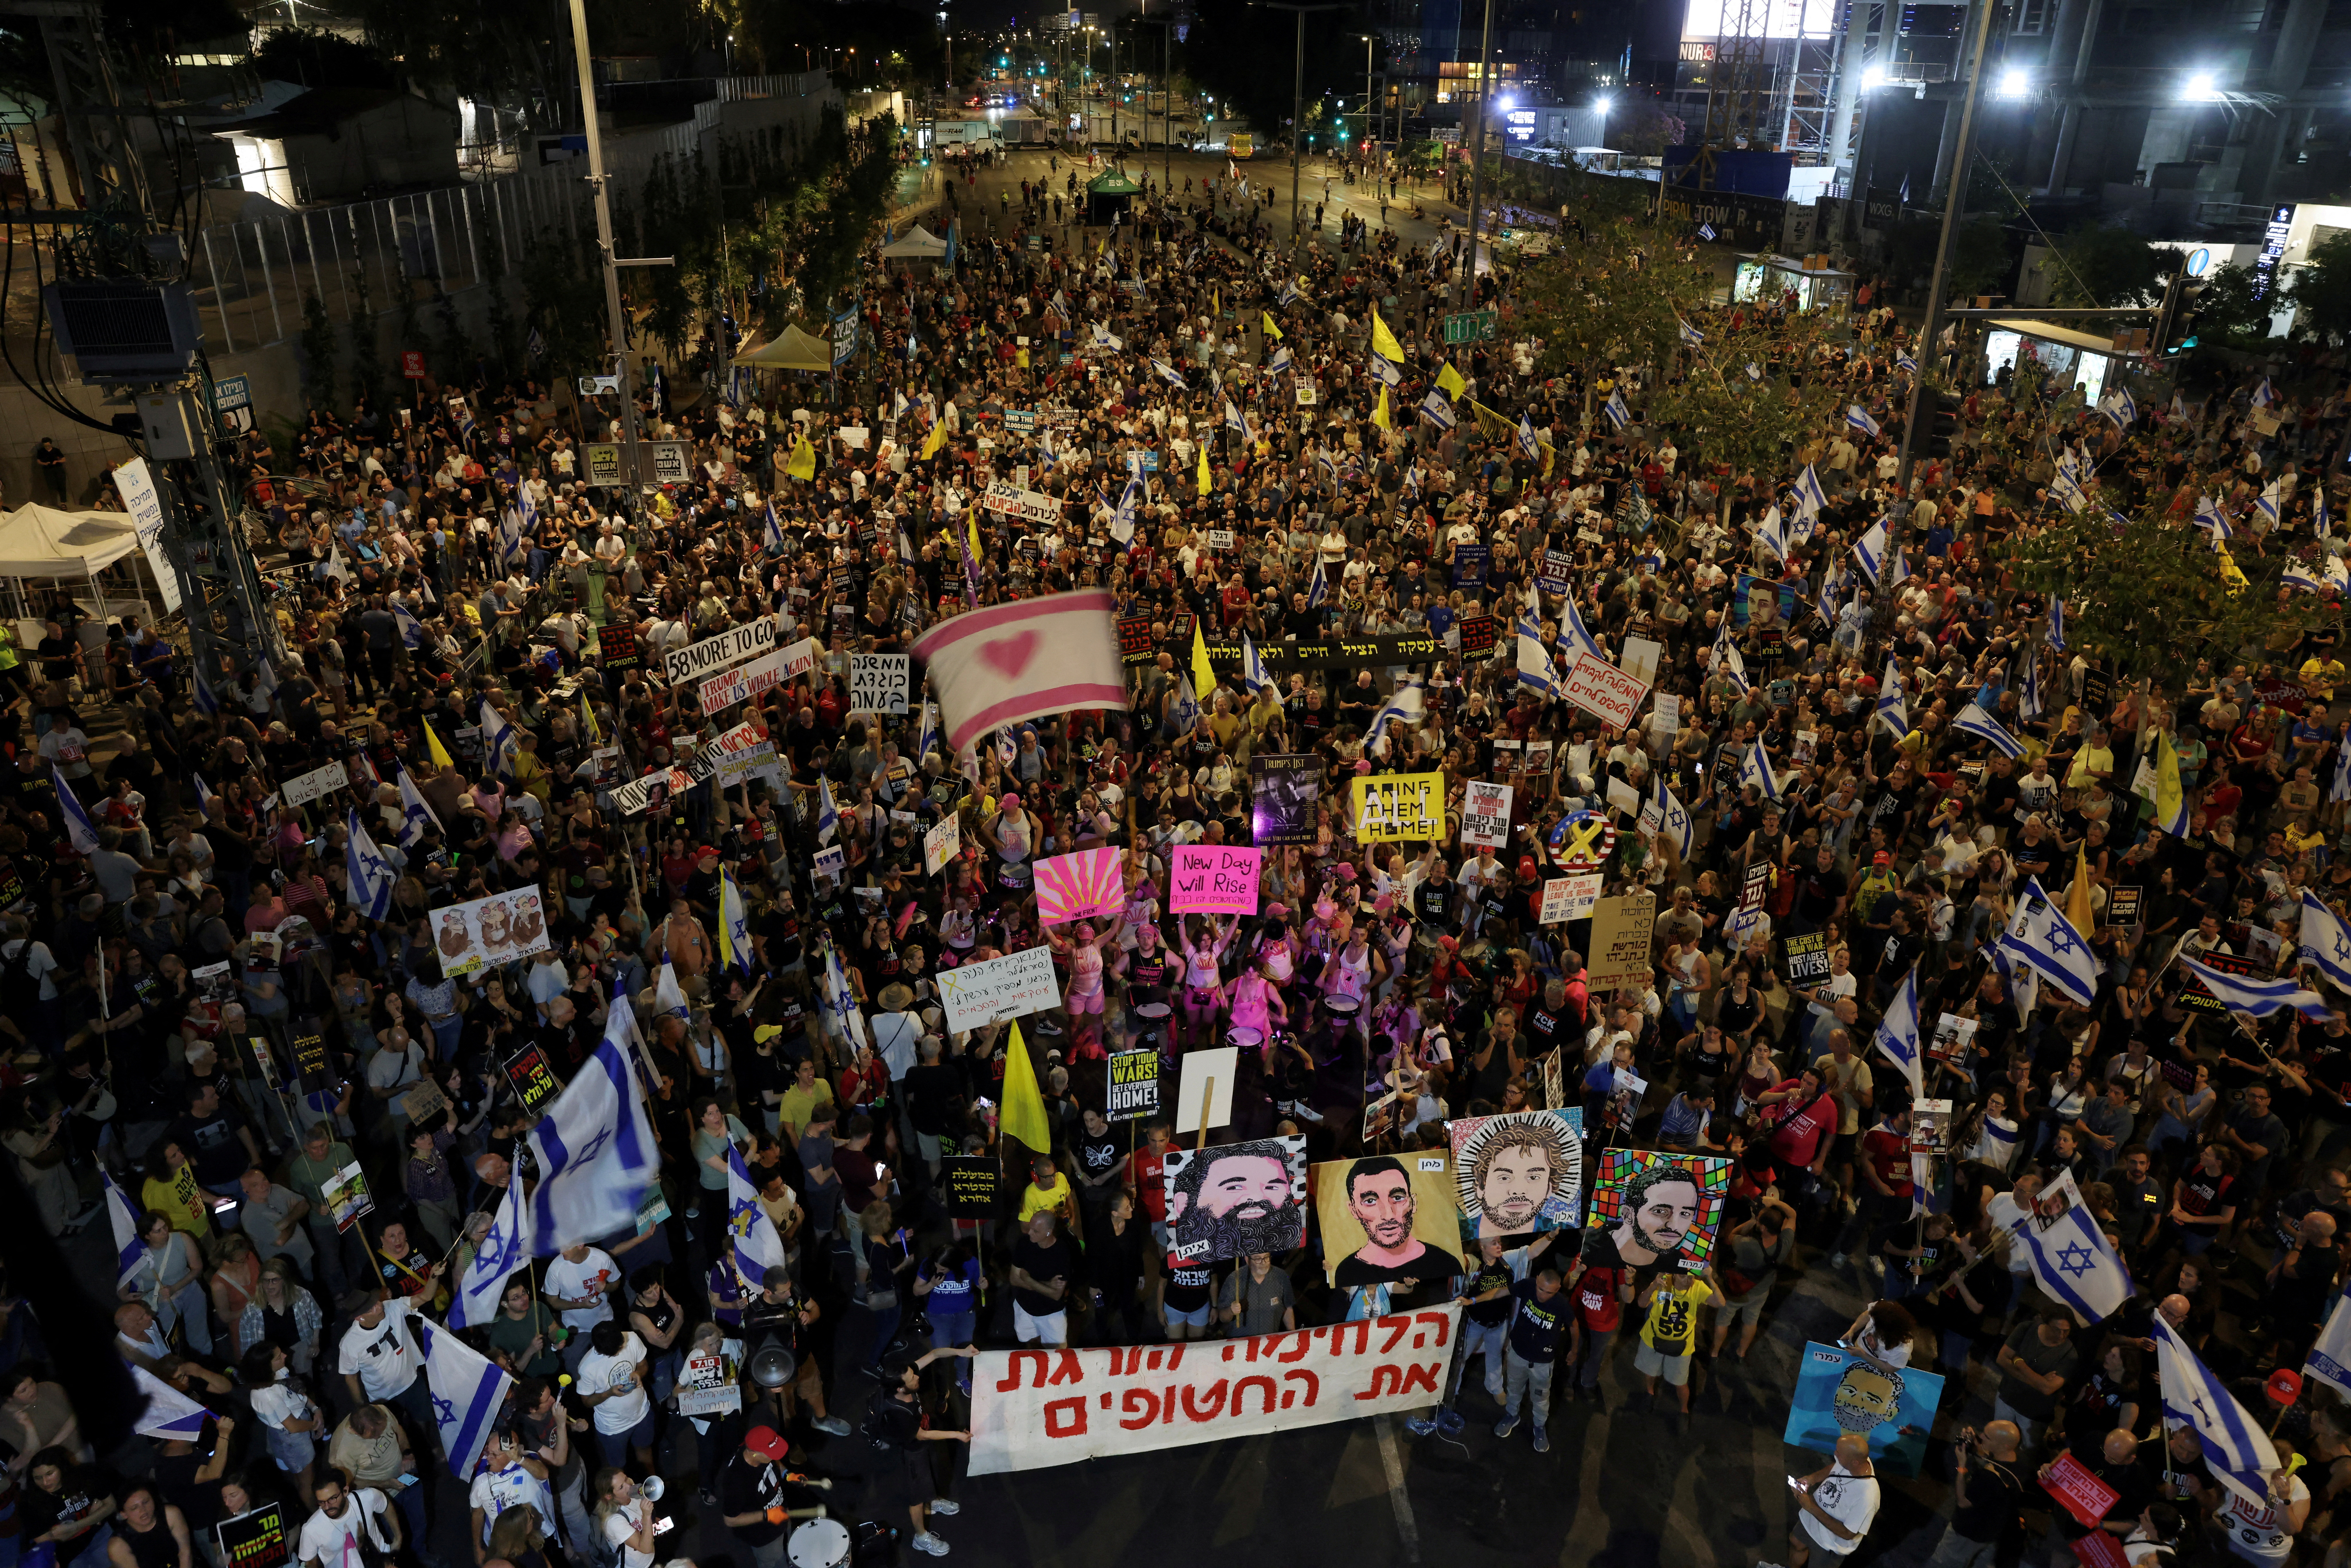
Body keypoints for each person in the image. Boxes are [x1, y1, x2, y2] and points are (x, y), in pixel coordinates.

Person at [1163, 1143, 1303, 1264]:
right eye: (1234, 1188)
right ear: (1183, 1204)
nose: (1257, 1197)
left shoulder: (1279, 1258)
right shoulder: (1187, 1258)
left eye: (1272, 1187)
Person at [1330, 1157, 1462, 1285]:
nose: (1388, 1215)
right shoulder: (1346, 1272)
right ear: (1354, 1210)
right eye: (1370, 1201)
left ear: (1413, 1203)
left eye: (1398, 1198)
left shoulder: (1446, 1263)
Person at [1925, 1420, 2024, 1568]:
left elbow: (1963, 1502)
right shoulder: (2018, 1460)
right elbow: (1993, 1463)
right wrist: (1978, 1446)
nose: (1981, 1437)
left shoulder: (1989, 1478)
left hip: (1969, 1533)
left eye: (1987, 1437)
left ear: (2006, 1446)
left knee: (1944, 1562)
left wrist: (1962, 1466)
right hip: (1993, 1532)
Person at [1586, 1160, 1705, 1270]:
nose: (1674, 1226)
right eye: (1660, 1212)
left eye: (1685, 1214)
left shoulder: (1677, 1263)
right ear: (1628, 1215)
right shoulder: (1591, 1250)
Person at [1786, 1433, 1881, 1567]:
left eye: (1839, 1453)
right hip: (1812, 1519)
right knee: (1796, 1542)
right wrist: (1811, 1479)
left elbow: (1848, 1534)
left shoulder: (1868, 1497)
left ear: (1855, 1462)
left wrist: (1811, 1507)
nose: (1835, 1454)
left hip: (1830, 1542)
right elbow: (1835, 1467)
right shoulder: (1854, 1463)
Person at [294, 1470, 399, 1568]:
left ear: (345, 1491)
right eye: (322, 1502)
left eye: (333, 1499)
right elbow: (310, 1562)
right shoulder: (311, 1529)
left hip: (381, 1561)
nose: (327, 1507)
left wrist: (399, 1538)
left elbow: (385, 1504)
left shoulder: (367, 1498)